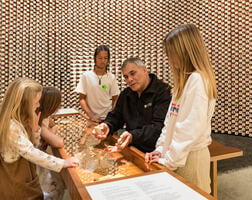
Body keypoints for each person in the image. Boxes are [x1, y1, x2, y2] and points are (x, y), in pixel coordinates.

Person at [145, 24, 218, 193]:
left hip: (191, 159)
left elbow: (188, 129)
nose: (169, 59)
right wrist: (161, 150)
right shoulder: (183, 83)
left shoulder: (198, 81)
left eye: (171, 53)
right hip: (178, 156)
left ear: (184, 51)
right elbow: (170, 122)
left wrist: (168, 160)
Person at [0, 78, 78, 200]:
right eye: (36, 102)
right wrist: (63, 163)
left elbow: (33, 146)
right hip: (16, 182)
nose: (39, 105)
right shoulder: (11, 127)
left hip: (24, 177)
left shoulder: (19, 121)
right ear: (23, 104)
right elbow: (31, 152)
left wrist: (35, 129)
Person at [93, 57, 171, 153]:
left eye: (133, 73)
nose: (129, 79)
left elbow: (159, 127)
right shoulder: (126, 94)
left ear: (144, 70)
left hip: (154, 153)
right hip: (131, 149)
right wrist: (107, 125)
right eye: (126, 77)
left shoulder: (163, 92)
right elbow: (116, 116)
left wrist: (133, 136)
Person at [75, 45, 120, 123]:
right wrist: (91, 115)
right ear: (94, 59)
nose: (103, 61)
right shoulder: (86, 76)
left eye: (105, 58)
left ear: (108, 60)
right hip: (91, 118)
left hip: (107, 119)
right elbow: (82, 99)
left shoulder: (111, 77)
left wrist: (112, 115)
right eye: (100, 58)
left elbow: (115, 98)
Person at [37, 86, 65, 200]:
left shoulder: (46, 116)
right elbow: (58, 142)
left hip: (44, 157)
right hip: (39, 163)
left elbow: (54, 126)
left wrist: (51, 132)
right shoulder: (39, 121)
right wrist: (51, 133)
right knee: (51, 189)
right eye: (57, 104)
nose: (60, 106)